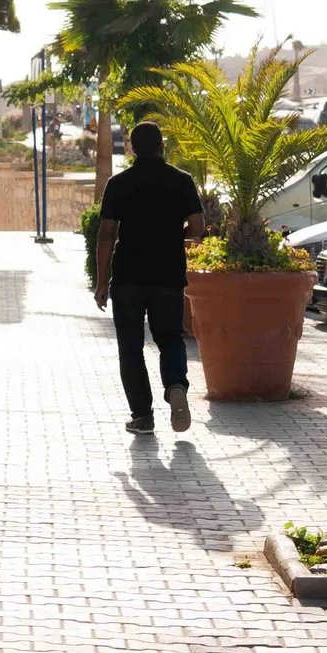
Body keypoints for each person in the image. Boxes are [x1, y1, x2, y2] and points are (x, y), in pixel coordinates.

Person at [91, 119, 206, 435]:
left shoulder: (119, 184)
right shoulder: (181, 181)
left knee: (130, 347)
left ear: (131, 148)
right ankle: (175, 385)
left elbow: (106, 235)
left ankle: (142, 415)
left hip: (128, 277)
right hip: (168, 276)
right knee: (170, 338)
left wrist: (102, 282)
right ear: (162, 146)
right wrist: (172, 235)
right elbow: (198, 228)